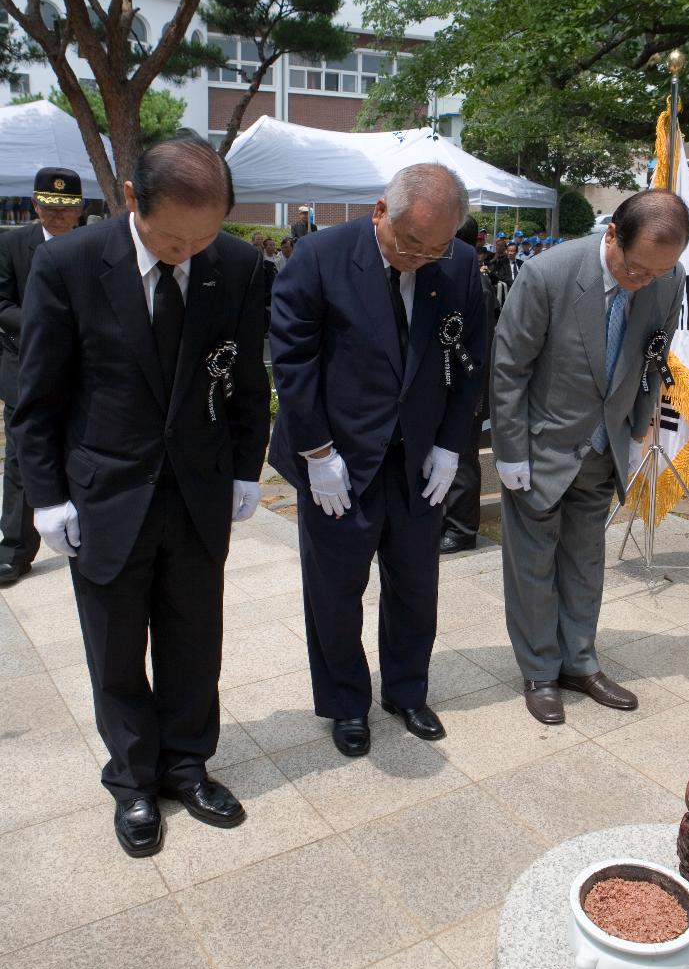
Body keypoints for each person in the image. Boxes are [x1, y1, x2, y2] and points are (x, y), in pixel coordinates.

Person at [13, 137, 270, 857]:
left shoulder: (241, 266)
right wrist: (47, 499)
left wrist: (247, 468)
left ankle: (187, 764)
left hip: (197, 491)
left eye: (205, 235)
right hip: (104, 493)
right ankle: (131, 779)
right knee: (117, 651)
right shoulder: (67, 264)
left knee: (195, 638)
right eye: (174, 237)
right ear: (132, 199)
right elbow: (39, 399)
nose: (189, 250)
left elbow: (249, 381)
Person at [269, 164, 486, 757]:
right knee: (335, 590)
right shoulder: (318, 257)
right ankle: (345, 704)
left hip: (417, 457)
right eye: (409, 244)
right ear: (379, 212)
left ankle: (407, 690)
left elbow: (470, 361)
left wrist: (450, 444)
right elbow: (293, 364)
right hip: (338, 458)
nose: (419, 257)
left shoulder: (459, 265)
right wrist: (316, 453)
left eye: (434, 248)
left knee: (417, 583)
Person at [491, 189, 689, 725]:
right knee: (533, 565)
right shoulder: (547, 275)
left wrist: (635, 428)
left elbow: (654, 360)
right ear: (612, 236)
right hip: (542, 448)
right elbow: (509, 367)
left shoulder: (667, 281)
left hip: (605, 447)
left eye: (657, 273)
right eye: (636, 268)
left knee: (586, 560)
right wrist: (509, 450)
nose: (643, 280)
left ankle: (580, 661)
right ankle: (538, 670)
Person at [0, 168, 83, 585]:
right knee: (21, 454)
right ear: (35, 204)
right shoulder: (13, 243)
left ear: (79, 209)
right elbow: (1, 303)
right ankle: (14, 549)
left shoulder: (93, 246)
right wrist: (40, 321)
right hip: (26, 366)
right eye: (48, 205)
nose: (56, 214)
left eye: (65, 207)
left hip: (83, 369)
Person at [440, 216, 495, 553]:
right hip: (448, 381)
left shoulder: (477, 282)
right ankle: (447, 521)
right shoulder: (457, 274)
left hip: (467, 381)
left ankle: (462, 530)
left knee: (462, 458)